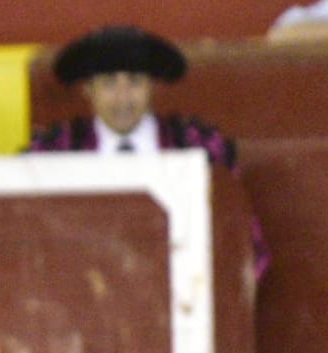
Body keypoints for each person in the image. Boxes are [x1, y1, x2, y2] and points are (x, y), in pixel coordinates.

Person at [27, 26, 270, 270]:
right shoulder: (54, 150)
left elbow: (243, 241)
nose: (123, 97)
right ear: (88, 90)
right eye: (109, 83)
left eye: (134, 82)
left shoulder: (197, 145)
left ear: (152, 86)